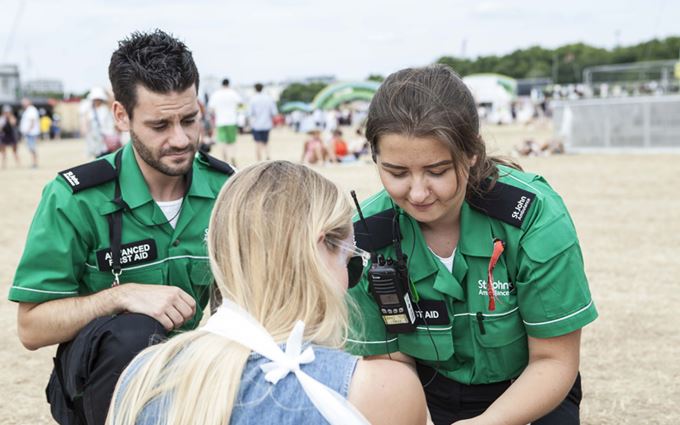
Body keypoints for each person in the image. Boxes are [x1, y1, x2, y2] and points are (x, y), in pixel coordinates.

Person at [347, 64, 598, 425]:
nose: (417, 193)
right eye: (397, 173)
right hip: (423, 391)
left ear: (471, 155)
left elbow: (553, 360)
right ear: (375, 159)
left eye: (437, 171)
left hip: (529, 388)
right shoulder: (365, 237)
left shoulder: (534, 217)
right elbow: (389, 367)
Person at [8, 29, 234, 425]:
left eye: (189, 119)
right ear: (121, 116)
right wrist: (120, 296)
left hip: (197, 379)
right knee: (133, 331)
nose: (180, 139)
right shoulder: (74, 198)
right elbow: (31, 327)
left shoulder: (228, 189)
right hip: (102, 387)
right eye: (160, 125)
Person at [108, 161, 427, 425]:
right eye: (351, 261)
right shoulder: (379, 389)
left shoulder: (142, 374)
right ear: (320, 247)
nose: (349, 278)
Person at [208, 78, 242, 164]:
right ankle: (233, 157)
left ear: (221, 84)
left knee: (222, 142)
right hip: (232, 120)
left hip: (220, 121)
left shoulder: (216, 94)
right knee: (232, 142)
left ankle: (225, 160)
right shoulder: (233, 93)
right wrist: (236, 110)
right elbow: (241, 104)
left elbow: (211, 108)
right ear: (228, 84)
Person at [82, 87, 119, 158]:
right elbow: (85, 125)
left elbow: (112, 100)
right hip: (96, 139)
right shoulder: (89, 110)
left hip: (108, 138)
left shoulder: (107, 108)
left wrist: (106, 92)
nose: (97, 101)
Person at [248, 82, 278, 161]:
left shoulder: (253, 99)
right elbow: (274, 112)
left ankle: (259, 160)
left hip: (256, 125)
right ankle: (267, 156)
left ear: (255, 89)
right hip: (267, 124)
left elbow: (250, 113)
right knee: (266, 142)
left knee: (258, 143)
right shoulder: (269, 98)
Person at [19, 97, 40, 168]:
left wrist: (27, 130)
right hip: (30, 133)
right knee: (31, 148)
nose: (23, 104)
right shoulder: (28, 110)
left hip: (31, 133)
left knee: (32, 148)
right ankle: (34, 163)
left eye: (24, 102)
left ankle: (35, 163)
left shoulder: (31, 110)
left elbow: (32, 121)